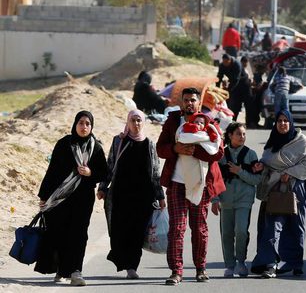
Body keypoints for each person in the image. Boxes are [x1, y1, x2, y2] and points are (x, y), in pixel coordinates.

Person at [156, 87, 226, 285]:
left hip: (200, 184)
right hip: (177, 184)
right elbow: (160, 149)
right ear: (181, 103)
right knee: (176, 229)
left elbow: (218, 153)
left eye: (193, 100)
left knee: (199, 228)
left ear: (199, 102)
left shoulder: (208, 122)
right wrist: (175, 148)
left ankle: (200, 269)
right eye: (186, 100)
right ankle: (176, 271)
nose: (189, 103)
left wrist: (193, 151)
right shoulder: (172, 122)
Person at [35, 111, 109, 286]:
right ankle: (61, 269)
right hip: (60, 198)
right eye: (81, 123)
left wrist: (90, 173)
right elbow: (52, 171)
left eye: (87, 124)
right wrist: (44, 196)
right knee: (59, 231)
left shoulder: (95, 148)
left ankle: (76, 271)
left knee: (79, 234)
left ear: (92, 127)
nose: (84, 127)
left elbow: (104, 172)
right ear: (75, 124)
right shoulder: (63, 144)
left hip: (83, 198)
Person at [98, 110, 165, 280]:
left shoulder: (149, 144)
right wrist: (103, 187)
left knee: (137, 233)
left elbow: (155, 172)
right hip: (121, 194)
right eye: (133, 121)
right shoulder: (119, 141)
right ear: (127, 122)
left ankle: (131, 266)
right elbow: (110, 165)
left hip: (143, 197)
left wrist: (160, 196)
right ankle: (122, 259)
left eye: (139, 121)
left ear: (143, 123)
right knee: (119, 230)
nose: (136, 124)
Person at [251, 110, 306, 278]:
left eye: (286, 121)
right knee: (273, 226)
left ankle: (295, 263)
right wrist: (261, 167)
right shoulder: (272, 142)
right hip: (275, 190)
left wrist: (290, 172)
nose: (282, 124)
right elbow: (267, 162)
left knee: (296, 227)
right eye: (279, 121)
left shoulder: (301, 141)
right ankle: (270, 264)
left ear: (291, 122)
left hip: (296, 188)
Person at [212, 122, 262, 278]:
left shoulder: (251, 154)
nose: (242, 137)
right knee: (226, 233)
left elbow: (256, 179)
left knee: (241, 231)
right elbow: (214, 179)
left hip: (244, 199)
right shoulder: (221, 156)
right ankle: (229, 264)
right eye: (239, 134)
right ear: (230, 135)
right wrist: (214, 199)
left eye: (244, 134)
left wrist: (240, 171)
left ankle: (241, 262)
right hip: (225, 200)